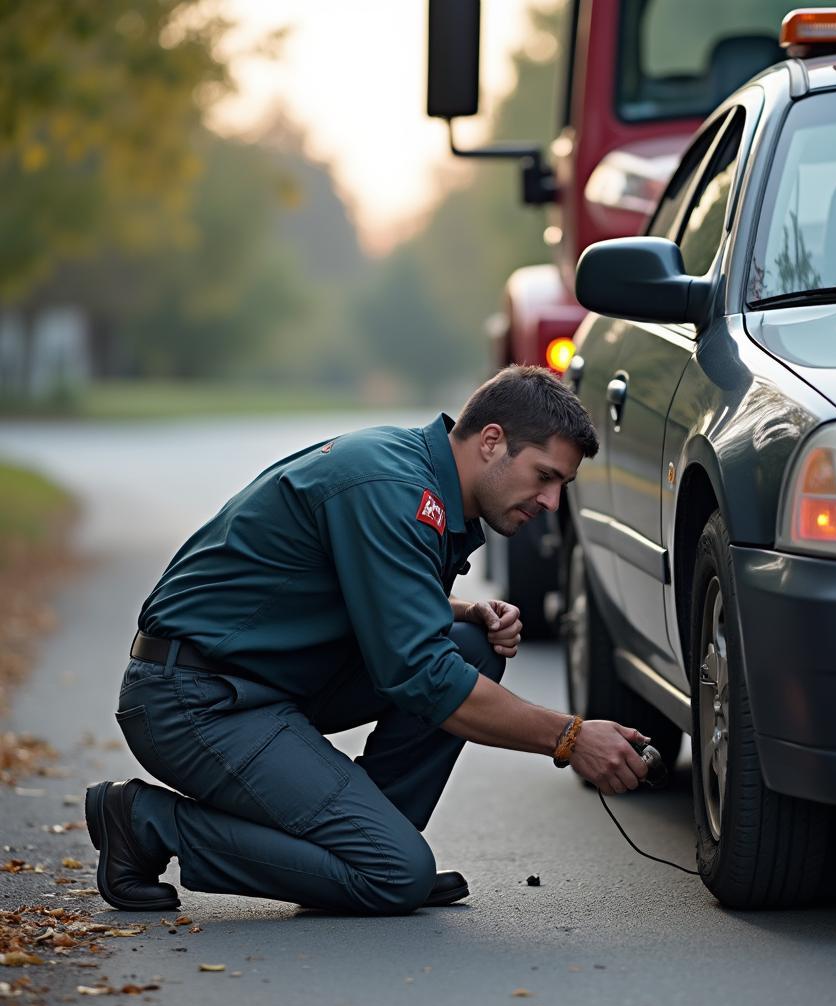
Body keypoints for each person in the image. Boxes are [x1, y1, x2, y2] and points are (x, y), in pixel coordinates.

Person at [85, 366, 650, 916]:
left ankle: (366, 843)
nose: (552, 503)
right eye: (544, 476)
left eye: (562, 486)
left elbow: (361, 588)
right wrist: (571, 738)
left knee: (470, 644)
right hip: (194, 698)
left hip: (266, 681)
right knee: (396, 874)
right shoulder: (393, 488)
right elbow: (423, 675)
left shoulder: (420, 477)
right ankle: (146, 823)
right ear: (492, 441)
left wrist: (459, 608)